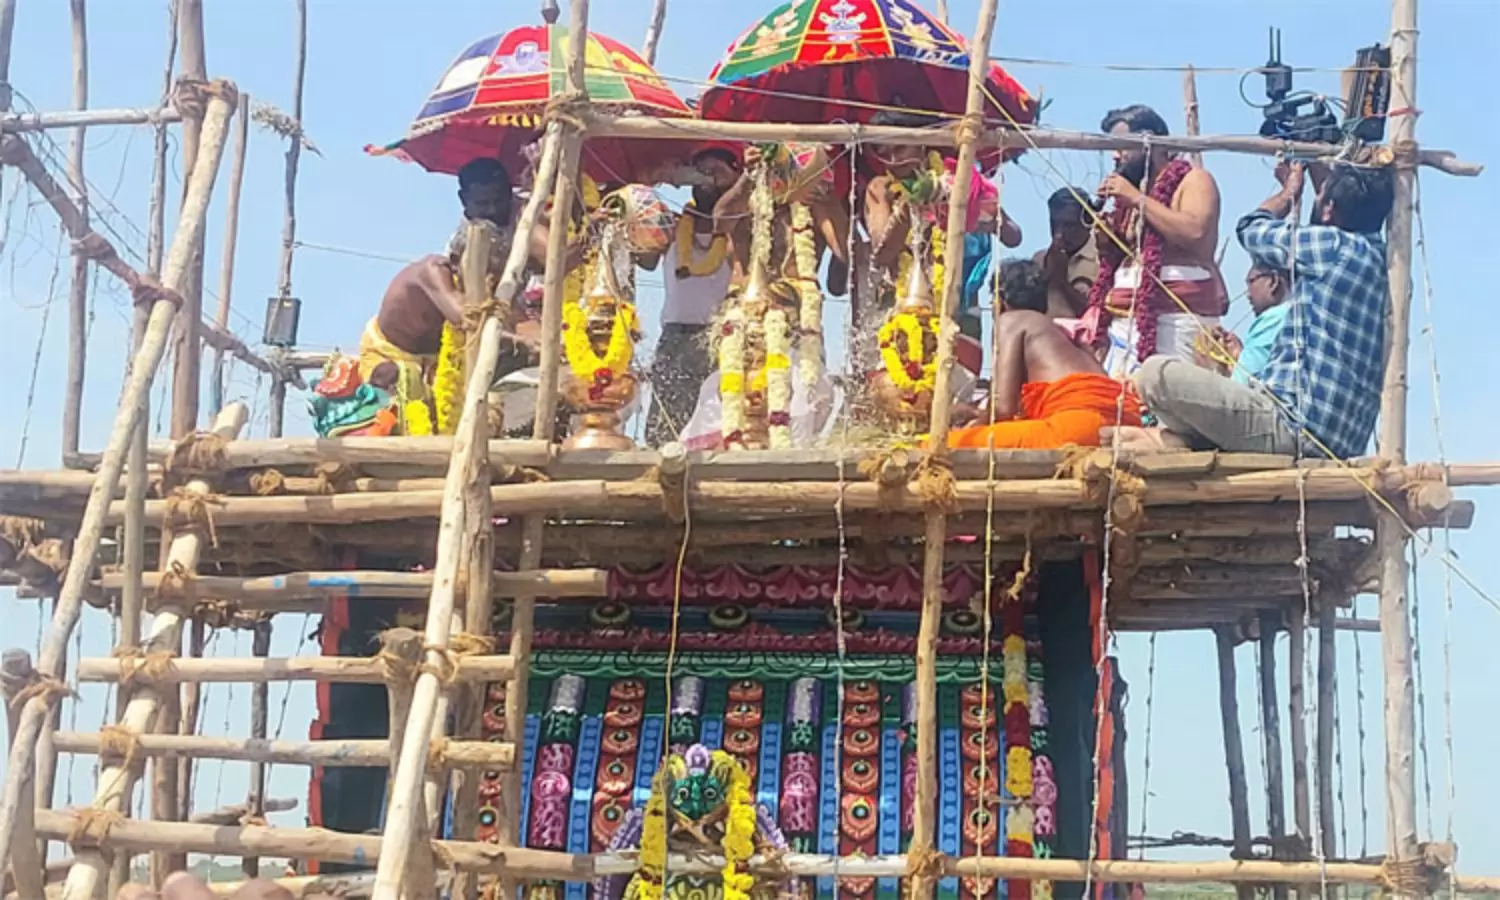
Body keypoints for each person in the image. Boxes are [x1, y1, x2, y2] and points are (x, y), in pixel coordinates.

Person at [1109, 161, 1393, 457]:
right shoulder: (1387, 265)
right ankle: (1180, 440)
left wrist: (1287, 194)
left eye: (1319, 196)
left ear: (1328, 210)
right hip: (1343, 442)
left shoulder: (1334, 248)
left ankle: (1178, 440)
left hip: (1291, 427)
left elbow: (1251, 228)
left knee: (1154, 374)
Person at [1084, 104, 1228, 376]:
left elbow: (1195, 232)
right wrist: (1108, 242)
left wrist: (1136, 199)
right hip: (1124, 329)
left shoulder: (1194, 180)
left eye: (1123, 146)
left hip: (1177, 324)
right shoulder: (1136, 194)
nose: (1115, 155)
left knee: (1173, 398)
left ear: (1150, 142)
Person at [948, 258, 1142, 450]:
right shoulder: (1063, 333)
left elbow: (1002, 410)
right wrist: (974, 410)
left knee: (947, 444)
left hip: (1080, 427)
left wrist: (972, 427)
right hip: (1126, 425)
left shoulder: (1010, 321)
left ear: (999, 301)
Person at [645, 146, 742, 446]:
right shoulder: (671, 225)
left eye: (716, 172)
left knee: (724, 430)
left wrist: (738, 184)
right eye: (701, 171)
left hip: (722, 338)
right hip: (676, 337)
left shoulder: (740, 228)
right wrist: (653, 180)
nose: (707, 179)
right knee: (665, 433)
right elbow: (645, 259)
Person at [1035, 187, 1100, 320]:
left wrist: (1060, 279)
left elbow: (1092, 311)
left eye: (1069, 226)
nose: (1059, 234)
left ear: (1089, 221)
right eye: (1054, 224)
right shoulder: (1040, 260)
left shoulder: (1103, 259)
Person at [1230, 260, 1290, 385]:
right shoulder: (1303, 313)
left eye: (1251, 282)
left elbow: (1240, 385)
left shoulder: (1272, 319)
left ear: (1273, 281)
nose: (1248, 295)